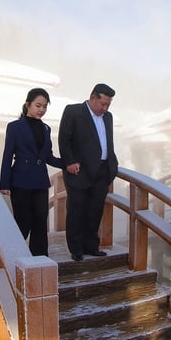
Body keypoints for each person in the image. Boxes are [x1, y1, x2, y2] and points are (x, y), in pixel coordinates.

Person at [0, 88, 63, 257]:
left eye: (44, 107)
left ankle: (41, 259)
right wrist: (4, 183)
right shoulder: (14, 127)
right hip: (21, 181)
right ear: (28, 104)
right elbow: (7, 155)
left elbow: (48, 157)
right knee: (23, 222)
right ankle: (13, 257)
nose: (41, 110)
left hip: (41, 182)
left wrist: (67, 164)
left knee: (41, 222)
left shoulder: (46, 129)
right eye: (38, 105)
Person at [58, 83, 118, 261]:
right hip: (79, 170)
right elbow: (64, 139)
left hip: (102, 170)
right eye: (102, 104)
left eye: (108, 104)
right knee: (77, 210)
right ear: (92, 98)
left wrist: (111, 166)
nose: (105, 108)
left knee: (95, 210)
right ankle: (76, 249)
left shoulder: (108, 117)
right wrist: (69, 161)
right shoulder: (73, 111)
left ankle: (92, 246)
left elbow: (107, 141)